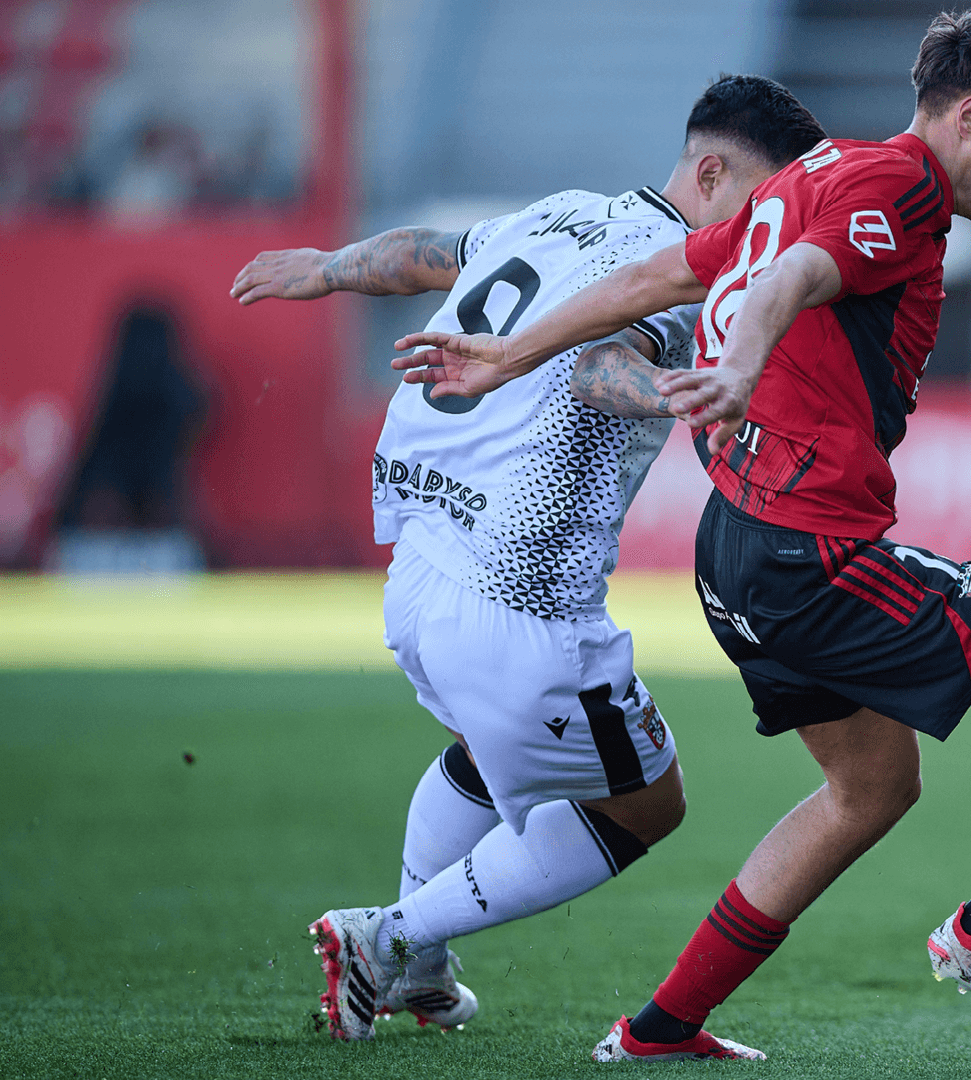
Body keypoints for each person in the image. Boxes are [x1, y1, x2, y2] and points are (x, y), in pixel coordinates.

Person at [395, 7, 971, 1063]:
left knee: (871, 788)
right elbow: (789, 278)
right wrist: (744, 363)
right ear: (970, 116)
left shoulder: (819, 172)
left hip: (739, 550)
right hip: (815, 559)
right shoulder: (900, 186)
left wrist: (510, 353)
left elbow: (663, 276)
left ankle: (661, 1029)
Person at [228, 75, 825, 1045]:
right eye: (769, 204)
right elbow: (597, 366)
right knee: (647, 804)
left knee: (487, 749)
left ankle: (419, 970)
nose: (771, 232)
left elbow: (425, 254)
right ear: (712, 173)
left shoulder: (560, 215)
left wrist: (330, 268)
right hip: (522, 601)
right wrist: (687, 391)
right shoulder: (679, 272)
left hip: (421, 570)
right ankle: (390, 936)